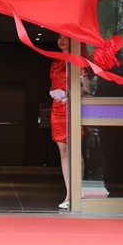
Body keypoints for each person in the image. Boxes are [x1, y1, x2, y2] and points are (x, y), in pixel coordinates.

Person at [48, 35, 71, 209]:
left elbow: (86, 86)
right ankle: (68, 192)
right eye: (59, 37)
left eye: (65, 37)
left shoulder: (78, 59)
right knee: (63, 151)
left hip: (72, 107)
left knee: (73, 150)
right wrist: (54, 92)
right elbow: (53, 83)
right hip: (57, 107)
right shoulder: (56, 60)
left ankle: (74, 194)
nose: (61, 40)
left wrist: (69, 95)